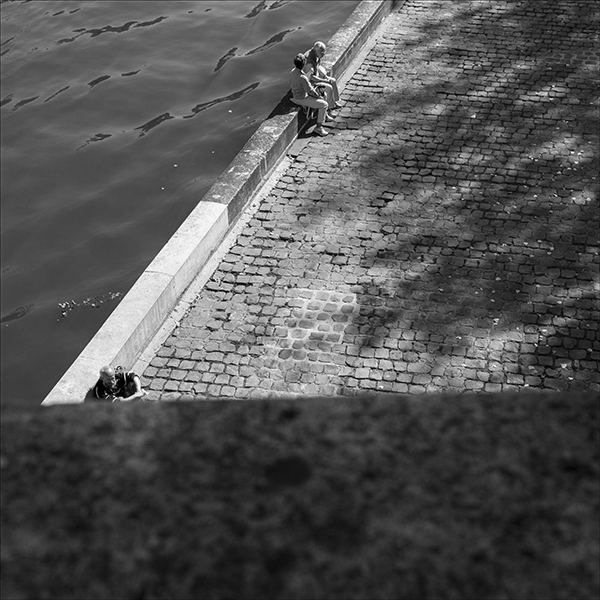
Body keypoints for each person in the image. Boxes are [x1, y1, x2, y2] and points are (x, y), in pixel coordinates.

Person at [289, 53, 330, 137]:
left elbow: (301, 81)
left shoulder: (293, 72)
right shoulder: (302, 77)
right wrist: (318, 96)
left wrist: (307, 75)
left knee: (323, 95)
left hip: (297, 95)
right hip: (302, 98)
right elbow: (310, 91)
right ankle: (318, 128)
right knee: (324, 104)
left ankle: (324, 116)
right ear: (303, 64)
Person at [303, 41, 342, 111]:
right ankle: (330, 107)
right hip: (311, 83)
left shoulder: (316, 54)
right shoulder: (309, 62)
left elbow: (318, 66)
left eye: (324, 51)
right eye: (322, 52)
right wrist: (324, 80)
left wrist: (324, 76)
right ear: (316, 51)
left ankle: (335, 101)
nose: (323, 54)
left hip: (316, 75)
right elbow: (311, 77)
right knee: (328, 88)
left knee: (333, 81)